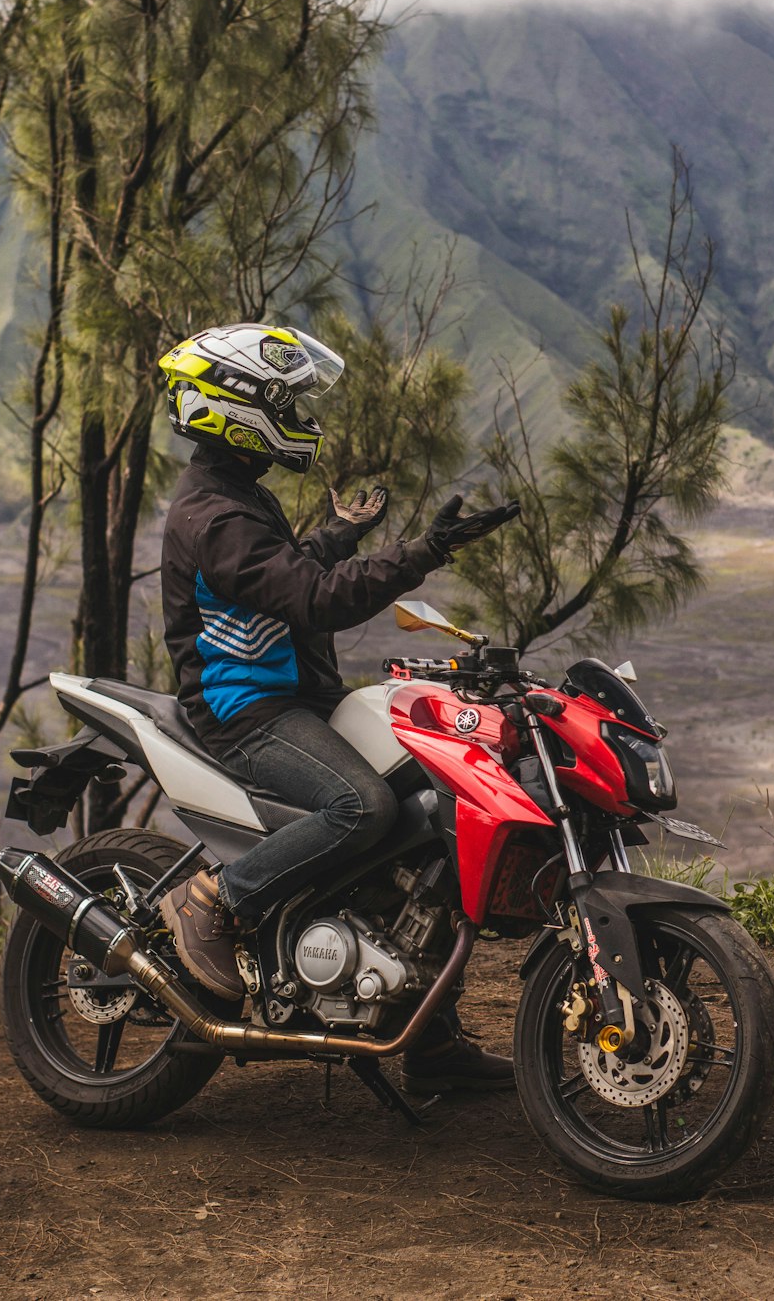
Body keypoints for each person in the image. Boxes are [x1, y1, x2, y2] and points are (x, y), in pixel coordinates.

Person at [156, 322, 519, 1092]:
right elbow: (313, 600)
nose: (299, 417)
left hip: (296, 698)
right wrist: (420, 552)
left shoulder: (236, 498)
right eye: (285, 402)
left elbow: (281, 576)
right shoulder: (213, 516)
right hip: (246, 712)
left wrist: (341, 532)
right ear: (237, 407)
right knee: (364, 808)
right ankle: (213, 900)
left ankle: (425, 1037)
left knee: (433, 817)